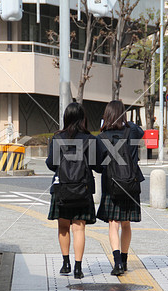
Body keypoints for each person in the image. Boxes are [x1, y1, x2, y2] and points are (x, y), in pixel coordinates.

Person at [46, 103, 103, 279]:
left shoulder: (57, 138)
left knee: (63, 226)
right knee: (79, 227)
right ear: (82, 118)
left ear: (66, 117)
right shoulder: (90, 139)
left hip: (61, 188)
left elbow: (51, 164)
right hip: (82, 188)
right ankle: (78, 268)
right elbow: (97, 166)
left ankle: (65, 264)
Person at [96, 100, 145, 276]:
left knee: (113, 224)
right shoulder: (131, 131)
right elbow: (141, 131)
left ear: (106, 115)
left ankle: (117, 263)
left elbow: (97, 165)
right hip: (131, 183)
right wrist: (127, 122)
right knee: (126, 223)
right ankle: (124, 261)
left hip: (112, 185)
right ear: (123, 115)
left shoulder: (101, 138)